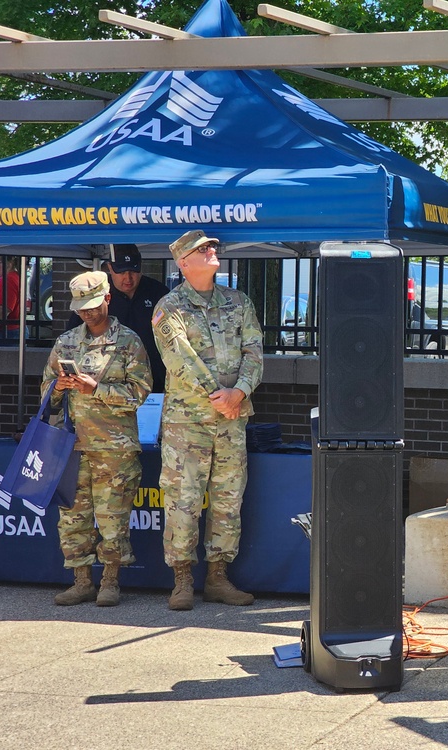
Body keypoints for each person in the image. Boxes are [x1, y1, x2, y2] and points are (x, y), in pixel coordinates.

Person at [152, 229, 263, 611]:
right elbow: (179, 360)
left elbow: (254, 350)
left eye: (213, 246)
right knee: (183, 501)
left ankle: (218, 577)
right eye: (203, 249)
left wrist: (241, 391)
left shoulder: (239, 302)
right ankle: (182, 579)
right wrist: (220, 397)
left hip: (232, 419)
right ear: (184, 263)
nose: (212, 250)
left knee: (228, 500)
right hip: (189, 422)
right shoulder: (169, 308)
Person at [41, 271, 152, 607]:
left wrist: (96, 388)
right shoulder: (66, 342)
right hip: (72, 447)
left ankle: (110, 581)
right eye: (81, 308)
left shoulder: (128, 341)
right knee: (73, 518)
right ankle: (80, 581)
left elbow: (140, 392)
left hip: (114, 449)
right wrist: (58, 387)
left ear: (107, 298)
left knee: (112, 519)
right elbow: (46, 394)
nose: (87, 313)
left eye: (92, 306)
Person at [67, 244, 170, 392]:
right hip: (107, 383)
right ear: (110, 268)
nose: (128, 278)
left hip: (154, 382)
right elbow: (74, 335)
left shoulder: (158, 293)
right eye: (121, 272)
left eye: (133, 271)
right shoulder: (97, 296)